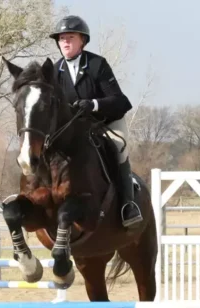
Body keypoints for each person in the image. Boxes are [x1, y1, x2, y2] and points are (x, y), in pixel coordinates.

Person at [49, 15, 143, 229]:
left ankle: (128, 205)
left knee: (119, 148)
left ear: (82, 40)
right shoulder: (55, 71)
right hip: (76, 129)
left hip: (106, 122)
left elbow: (120, 101)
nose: (65, 42)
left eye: (70, 37)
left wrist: (93, 104)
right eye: (62, 38)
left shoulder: (97, 65)